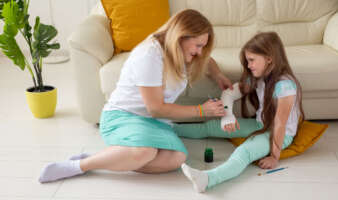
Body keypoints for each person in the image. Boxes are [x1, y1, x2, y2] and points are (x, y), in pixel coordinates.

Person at [38, 9, 233, 183]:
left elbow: (208, 60)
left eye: (202, 47)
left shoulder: (181, 52)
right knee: (145, 152)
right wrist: (200, 110)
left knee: (177, 158)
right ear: (181, 36)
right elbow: (155, 108)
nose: (200, 52)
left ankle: (115, 157)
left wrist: (218, 75)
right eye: (198, 45)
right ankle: (81, 165)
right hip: (124, 116)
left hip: (155, 122)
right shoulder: (151, 54)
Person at [174, 31, 305, 193]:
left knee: (244, 152)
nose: (248, 65)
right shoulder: (258, 77)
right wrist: (227, 117)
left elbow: (280, 124)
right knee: (211, 127)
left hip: (280, 134)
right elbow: (230, 93)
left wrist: (274, 156)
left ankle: (208, 179)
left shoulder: (285, 86)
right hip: (261, 124)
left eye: (251, 60)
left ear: (269, 59)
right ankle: (169, 128)